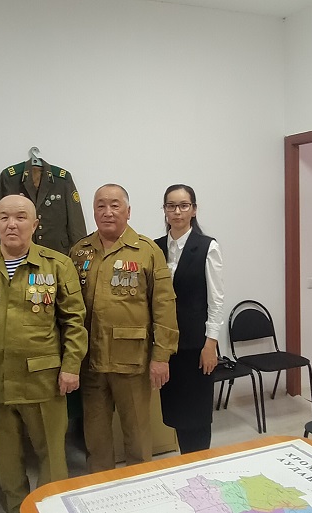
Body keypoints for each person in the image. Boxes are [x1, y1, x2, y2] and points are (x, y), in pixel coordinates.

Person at [0, 195, 88, 513]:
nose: (11, 224)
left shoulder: (57, 265)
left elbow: (74, 321)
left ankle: (51, 509)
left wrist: (71, 366)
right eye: (4, 217)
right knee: (6, 462)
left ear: (35, 224)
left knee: (52, 458)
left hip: (43, 380)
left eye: (20, 217)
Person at [69, 184, 179, 472]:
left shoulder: (147, 251)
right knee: (96, 440)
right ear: (93, 211)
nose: (107, 212)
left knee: (137, 437)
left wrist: (161, 356)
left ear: (128, 211)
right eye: (101, 206)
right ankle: (101, 489)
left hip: (132, 361)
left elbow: (164, 305)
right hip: (91, 362)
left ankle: (139, 488)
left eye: (115, 205)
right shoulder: (79, 252)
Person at [154, 184, 224, 454]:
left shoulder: (207, 247)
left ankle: (199, 466)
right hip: (167, 345)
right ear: (164, 210)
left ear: (194, 210)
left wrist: (211, 344)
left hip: (197, 346)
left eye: (184, 206)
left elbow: (216, 300)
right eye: (171, 206)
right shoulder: (156, 248)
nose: (177, 211)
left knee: (196, 416)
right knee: (176, 414)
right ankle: (184, 465)